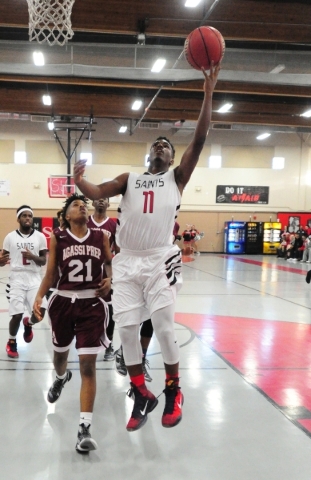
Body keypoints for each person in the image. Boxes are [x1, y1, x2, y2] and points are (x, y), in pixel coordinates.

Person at [73, 63, 219, 432]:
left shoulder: (177, 177)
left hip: (159, 260)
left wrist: (207, 94)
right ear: (148, 155)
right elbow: (97, 192)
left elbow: (199, 140)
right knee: (125, 333)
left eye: (168, 146)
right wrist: (79, 181)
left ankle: (173, 389)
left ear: (172, 159)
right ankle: (141, 391)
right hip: (125, 262)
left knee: (165, 329)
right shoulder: (130, 179)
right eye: (158, 143)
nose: (162, 146)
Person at [33, 194, 112, 453]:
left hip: (92, 304)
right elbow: (51, 272)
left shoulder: (101, 237)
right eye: (76, 205)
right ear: (66, 215)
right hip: (63, 302)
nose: (82, 207)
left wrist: (111, 280)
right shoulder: (58, 237)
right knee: (60, 356)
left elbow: (111, 264)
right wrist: (39, 297)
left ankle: (84, 428)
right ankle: (59, 377)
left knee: (88, 366)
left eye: (84, 205)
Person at [0, 205, 47, 358]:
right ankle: (12, 342)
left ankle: (30, 323)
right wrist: (0, 261)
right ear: (18, 218)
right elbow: (2, 260)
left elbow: (42, 261)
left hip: (34, 278)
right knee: (16, 314)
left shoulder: (40, 237)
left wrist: (32, 257)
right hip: (17, 278)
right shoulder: (10, 237)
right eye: (24, 216)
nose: (28, 218)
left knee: (40, 313)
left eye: (30, 216)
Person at [87, 198, 117, 361]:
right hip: (87, 272)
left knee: (109, 310)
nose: (100, 202)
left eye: (103, 200)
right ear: (92, 203)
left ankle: (109, 344)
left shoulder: (113, 225)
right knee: (86, 309)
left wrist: (114, 276)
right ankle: (87, 341)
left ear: (108, 204)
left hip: (106, 272)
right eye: (97, 200)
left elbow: (118, 251)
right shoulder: (85, 221)